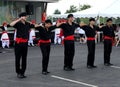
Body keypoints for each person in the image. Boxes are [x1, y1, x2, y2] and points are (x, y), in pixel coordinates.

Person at [10, 12, 35, 78]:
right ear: (21, 17)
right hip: (18, 43)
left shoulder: (27, 24)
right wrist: (19, 19)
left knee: (24, 58)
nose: (25, 17)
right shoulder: (18, 23)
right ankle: (18, 72)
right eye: (24, 16)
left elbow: (34, 25)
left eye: (26, 16)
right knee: (17, 58)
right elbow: (11, 24)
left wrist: (30, 22)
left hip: (25, 43)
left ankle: (22, 72)